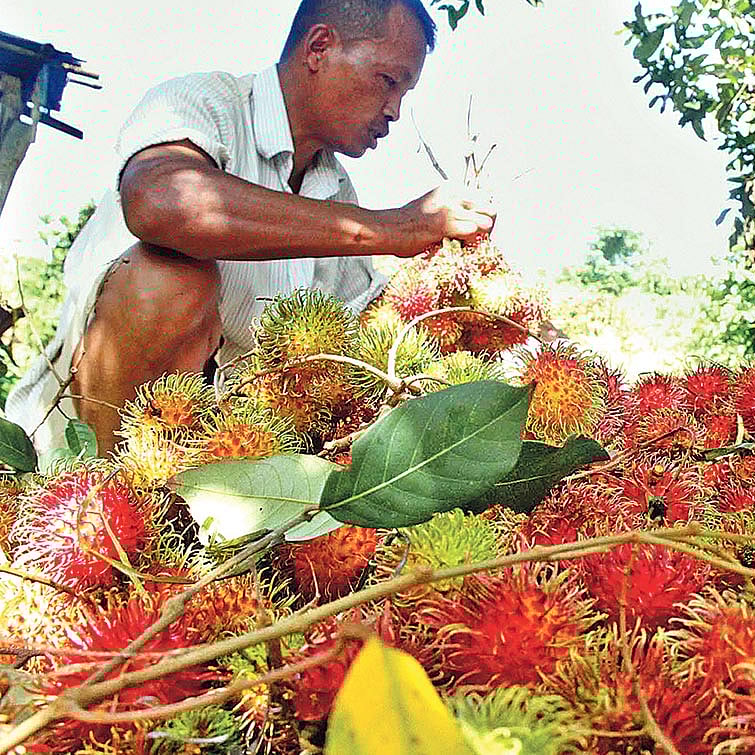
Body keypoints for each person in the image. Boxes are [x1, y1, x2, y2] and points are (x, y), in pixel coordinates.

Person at [5, 0, 497, 456]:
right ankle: (101, 488)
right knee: (171, 279)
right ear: (320, 48)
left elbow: (367, 325)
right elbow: (158, 201)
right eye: (388, 80)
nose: (393, 110)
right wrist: (391, 227)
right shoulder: (205, 103)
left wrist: (470, 289)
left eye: (403, 93)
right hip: (82, 441)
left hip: (225, 456)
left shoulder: (336, 191)